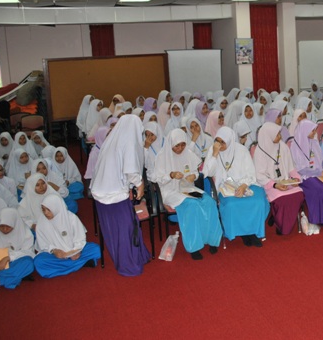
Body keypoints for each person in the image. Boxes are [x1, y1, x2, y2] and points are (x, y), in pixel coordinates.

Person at [90, 115, 151, 276]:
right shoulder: (128, 143)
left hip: (104, 193)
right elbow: (130, 169)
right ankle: (128, 265)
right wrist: (139, 184)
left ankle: (138, 255)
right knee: (125, 230)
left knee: (123, 228)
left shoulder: (112, 141)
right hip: (113, 195)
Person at [154, 129, 222, 261]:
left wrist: (193, 176)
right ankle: (194, 246)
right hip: (170, 191)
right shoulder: (161, 157)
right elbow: (158, 179)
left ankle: (212, 240)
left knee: (209, 202)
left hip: (188, 188)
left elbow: (196, 172)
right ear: (170, 144)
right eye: (177, 146)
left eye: (183, 145)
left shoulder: (188, 153)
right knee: (192, 206)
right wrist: (171, 175)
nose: (180, 149)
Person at [202, 127, 269, 247]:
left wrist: (243, 186)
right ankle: (242, 233)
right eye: (217, 141)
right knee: (232, 204)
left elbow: (250, 173)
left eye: (223, 142)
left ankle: (252, 232)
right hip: (225, 186)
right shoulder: (213, 150)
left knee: (258, 201)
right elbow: (208, 173)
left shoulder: (242, 150)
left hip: (246, 183)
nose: (219, 145)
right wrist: (214, 155)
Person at [253, 123, 305, 235]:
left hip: (285, 181)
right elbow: (259, 175)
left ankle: (278, 217)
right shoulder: (259, 151)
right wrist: (275, 184)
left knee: (298, 194)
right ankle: (280, 223)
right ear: (268, 135)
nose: (280, 136)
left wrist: (296, 178)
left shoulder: (283, 146)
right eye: (277, 134)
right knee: (282, 200)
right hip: (269, 184)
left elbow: (291, 167)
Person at [34, 194, 101, 278]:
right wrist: (54, 250)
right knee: (38, 262)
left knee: (96, 249)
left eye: (48, 210)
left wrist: (76, 251)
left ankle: (63, 267)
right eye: (43, 210)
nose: (46, 213)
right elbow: (43, 245)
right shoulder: (41, 223)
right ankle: (82, 263)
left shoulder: (71, 218)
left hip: (74, 251)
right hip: (56, 255)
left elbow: (80, 238)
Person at [0, 208, 35, 289]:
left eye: (8, 227)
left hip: (15, 262)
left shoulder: (25, 233)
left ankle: (1, 279)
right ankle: (12, 278)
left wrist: (8, 257)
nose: (5, 230)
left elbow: (28, 252)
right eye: (1, 226)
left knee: (28, 263)